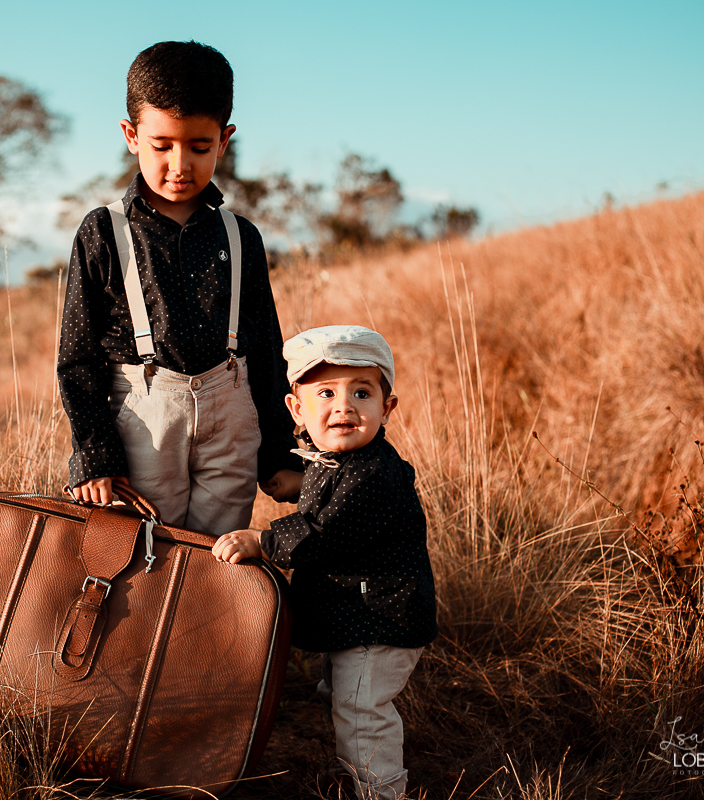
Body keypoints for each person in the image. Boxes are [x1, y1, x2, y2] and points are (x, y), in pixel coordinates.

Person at [56, 40, 302, 533]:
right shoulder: (103, 232)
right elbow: (78, 358)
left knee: (217, 562)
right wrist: (97, 456)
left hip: (231, 422)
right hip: (144, 426)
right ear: (131, 135)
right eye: (161, 145)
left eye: (199, 147)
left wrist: (278, 452)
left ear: (225, 140)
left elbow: (267, 351)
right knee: (143, 557)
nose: (179, 165)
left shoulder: (241, 236)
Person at [213, 325, 438, 800]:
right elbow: (330, 486)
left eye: (362, 392)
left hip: (379, 621)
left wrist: (263, 540)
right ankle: (353, 771)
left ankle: (380, 792)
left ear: (386, 407)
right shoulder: (336, 461)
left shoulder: (374, 473)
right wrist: (299, 484)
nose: (344, 406)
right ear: (297, 408)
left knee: (363, 709)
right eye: (326, 393)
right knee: (343, 696)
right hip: (358, 617)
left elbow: (325, 531)